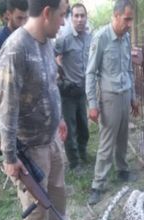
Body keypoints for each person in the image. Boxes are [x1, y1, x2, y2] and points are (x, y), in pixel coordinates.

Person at [0, 0, 79, 220]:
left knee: (57, 192)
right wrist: (10, 157)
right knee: (35, 207)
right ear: (47, 13)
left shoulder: (47, 43)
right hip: (30, 148)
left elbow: (50, 87)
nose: (64, 22)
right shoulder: (15, 49)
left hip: (52, 138)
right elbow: (7, 107)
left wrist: (60, 121)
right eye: (63, 15)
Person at [86, 0, 139, 205]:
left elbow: (129, 70)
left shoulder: (126, 38)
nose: (129, 24)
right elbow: (90, 73)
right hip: (108, 98)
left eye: (131, 19)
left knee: (123, 137)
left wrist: (133, 97)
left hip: (125, 94)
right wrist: (92, 103)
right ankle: (97, 185)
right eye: (126, 19)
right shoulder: (101, 38)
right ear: (116, 16)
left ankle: (122, 170)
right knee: (107, 142)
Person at [55, 3, 90, 170]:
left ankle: (83, 153)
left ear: (86, 17)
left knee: (83, 126)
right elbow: (51, 55)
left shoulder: (88, 37)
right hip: (68, 92)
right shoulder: (64, 37)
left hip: (82, 91)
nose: (79, 19)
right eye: (76, 16)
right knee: (70, 129)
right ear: (71, 18)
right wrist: (60, 73)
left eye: (82, 15)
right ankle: (74, 163)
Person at [0, 0, 28, 105]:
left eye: (25, 18)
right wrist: (17, 78)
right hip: (11, 99)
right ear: (9, 15)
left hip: (29, 99)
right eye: (19, 18)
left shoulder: (26, 34)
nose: (23, 22)